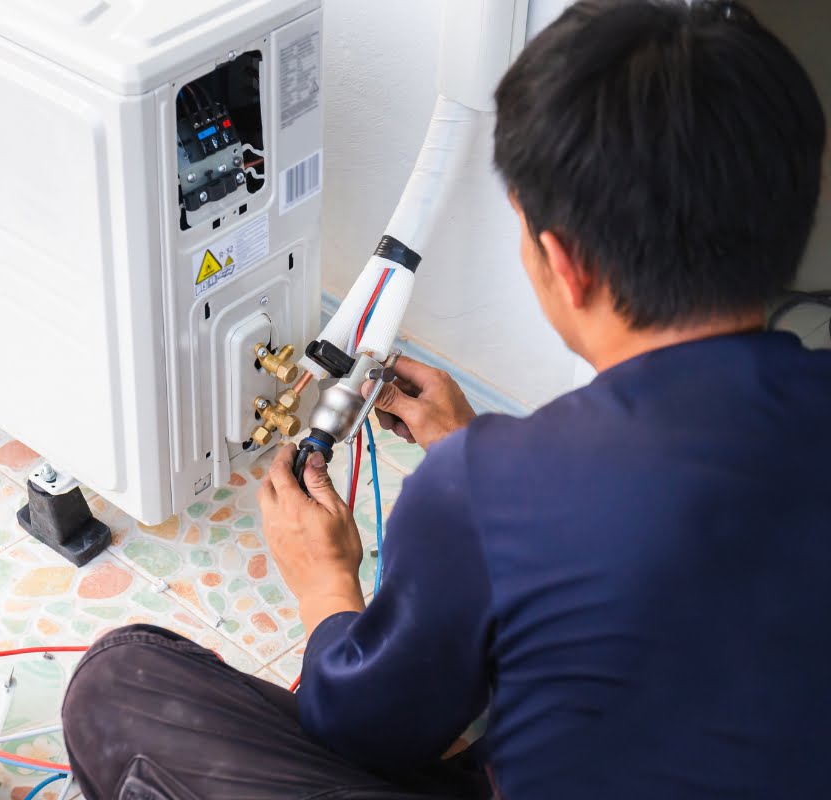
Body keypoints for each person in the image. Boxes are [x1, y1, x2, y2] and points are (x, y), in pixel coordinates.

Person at [61, 1, 831, 797]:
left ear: (562, 264)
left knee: (121, 682)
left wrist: (325, 580)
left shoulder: (485, 490)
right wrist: (489, 457)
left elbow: (363, 732)